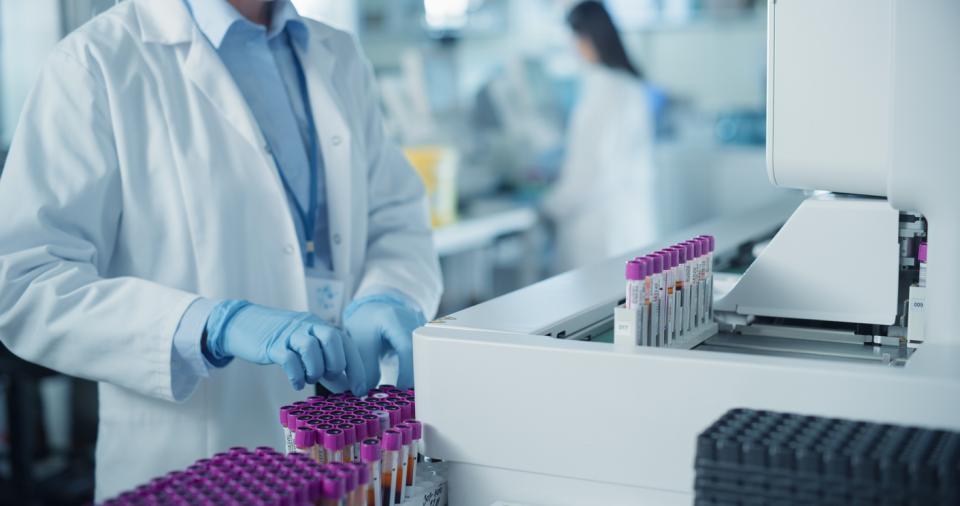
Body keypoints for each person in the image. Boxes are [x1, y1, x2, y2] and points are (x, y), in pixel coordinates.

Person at [0, 0, 441, 499]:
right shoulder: (97, 61)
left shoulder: (334, 52)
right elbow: (26, 281)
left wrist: (390, 292)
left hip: (351, 454)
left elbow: (395, 216)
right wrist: (208, 326)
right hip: (191, 463)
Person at [542, 0, 658, 272]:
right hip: (631, 225)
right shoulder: (630, 86)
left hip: (598, 231)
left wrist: (550, 206)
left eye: (575, 37)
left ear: (589, 38)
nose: (573, 46)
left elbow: (589, 173)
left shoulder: (602, 92)